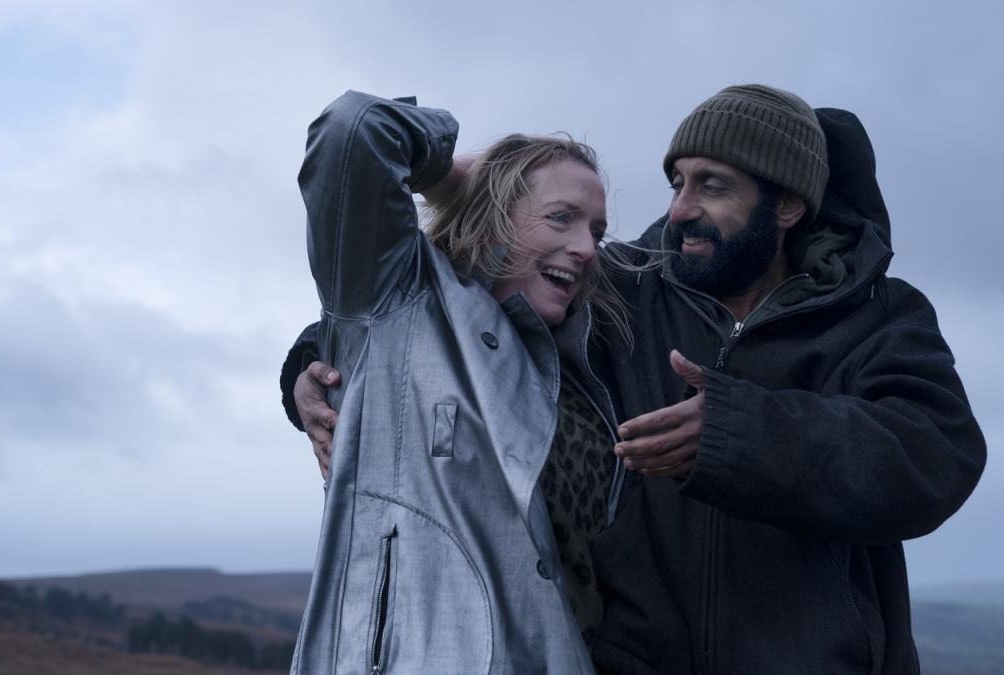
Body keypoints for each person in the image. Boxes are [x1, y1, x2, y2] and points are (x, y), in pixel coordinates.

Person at [283, 85, 986, 674]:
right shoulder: (627, 285)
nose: (680, 208)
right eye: (678, 181)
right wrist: (315, 367)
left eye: (713, 186)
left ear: (787, 206)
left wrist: (738, 432)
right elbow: (461, 295)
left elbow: (936, 456)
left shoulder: (873, 315)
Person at [289, 90, 633, 674]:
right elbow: (355, 129)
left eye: (596, 232)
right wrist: (452, 175)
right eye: (560, 218)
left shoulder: (586, 368)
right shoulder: (395, 297)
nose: (586, 248)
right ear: (494, 212)